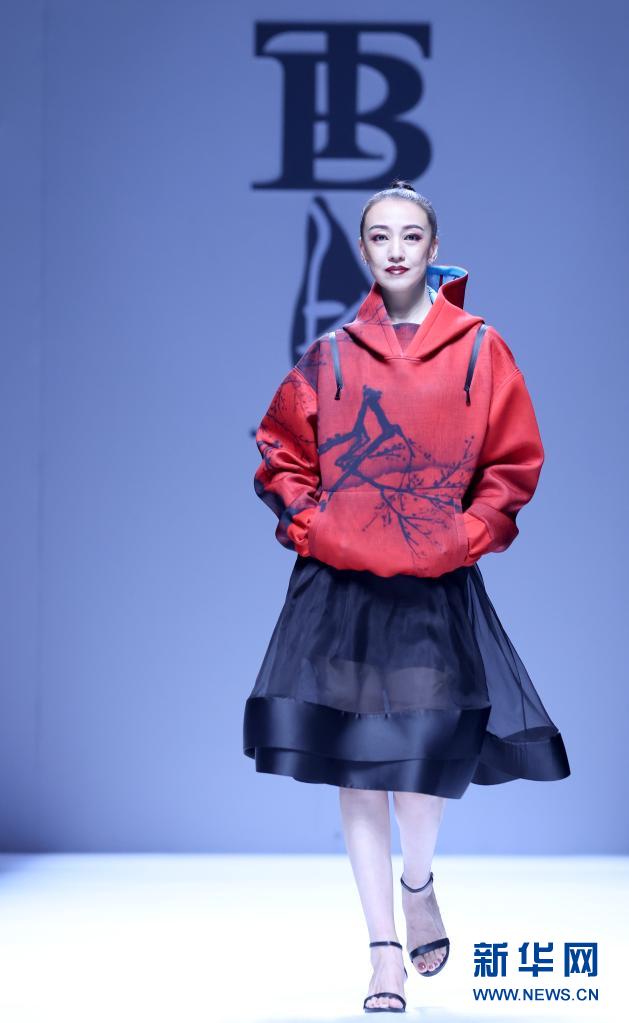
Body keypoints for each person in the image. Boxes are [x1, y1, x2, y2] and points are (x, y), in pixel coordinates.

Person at [243, 180, 571, 1013]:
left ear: (433, 247)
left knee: (421, 768)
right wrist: (315, 525)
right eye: (380, 236)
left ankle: (416, 881)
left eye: (410, 235)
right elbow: (280, 449)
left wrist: (464, 535)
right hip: (342, 584)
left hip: (431, 582)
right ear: (363, 250)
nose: (394, 249)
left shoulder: (479, 348)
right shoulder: (330, 354)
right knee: (358, 768)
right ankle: (383, 953)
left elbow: (512, 461)